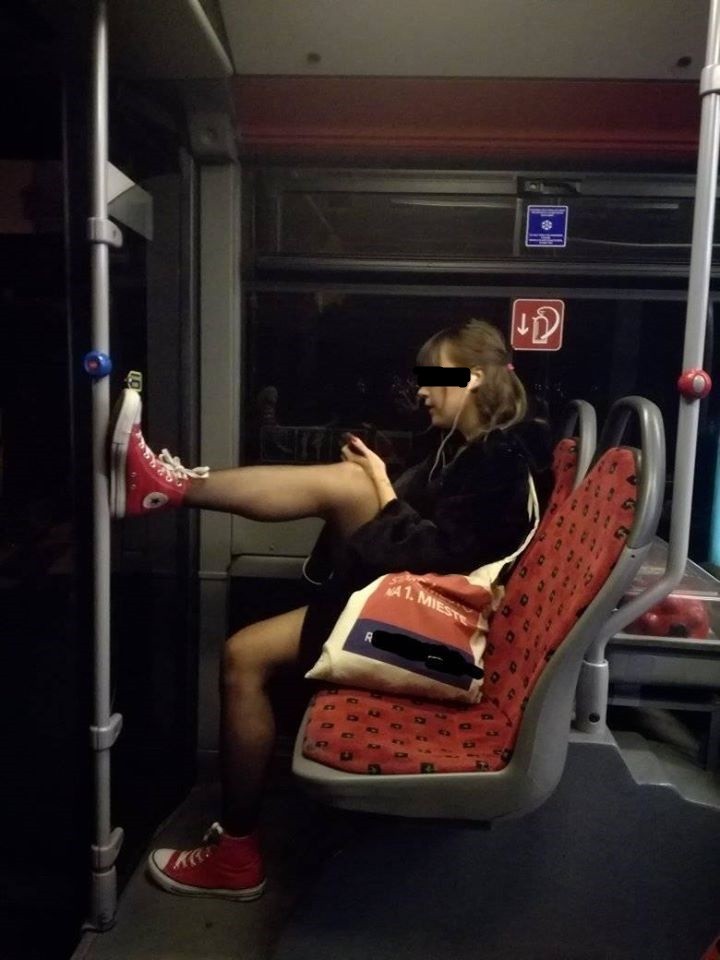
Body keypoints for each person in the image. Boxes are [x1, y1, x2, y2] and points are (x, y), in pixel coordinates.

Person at [107, 319, 553, 901]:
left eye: (434, 376)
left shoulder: (501, 460)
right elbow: (432, 533)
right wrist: (381, 478)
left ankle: (166, 487)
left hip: (439, 644)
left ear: (470, 379)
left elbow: (438, 555)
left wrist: (378, 485)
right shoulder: (463, 449)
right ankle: (236, 854)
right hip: (417, 614)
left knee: (343, 496)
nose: (421, 390)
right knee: (245, 650)